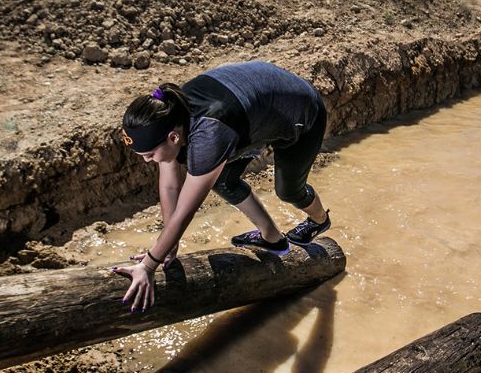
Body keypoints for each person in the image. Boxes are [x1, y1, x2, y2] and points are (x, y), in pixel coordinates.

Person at [111, 61, 332, 313]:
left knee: (288, 191)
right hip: (258, 111)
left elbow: (185, 210)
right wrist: (167, 247)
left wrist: (149, 266)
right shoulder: (170, 115)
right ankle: (273, 239)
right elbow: (170, 187)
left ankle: (319, 220)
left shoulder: (209, 135)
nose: (146, 160)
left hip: (302, 114)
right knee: (222, 179)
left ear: (173, 137)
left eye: (149, 154)